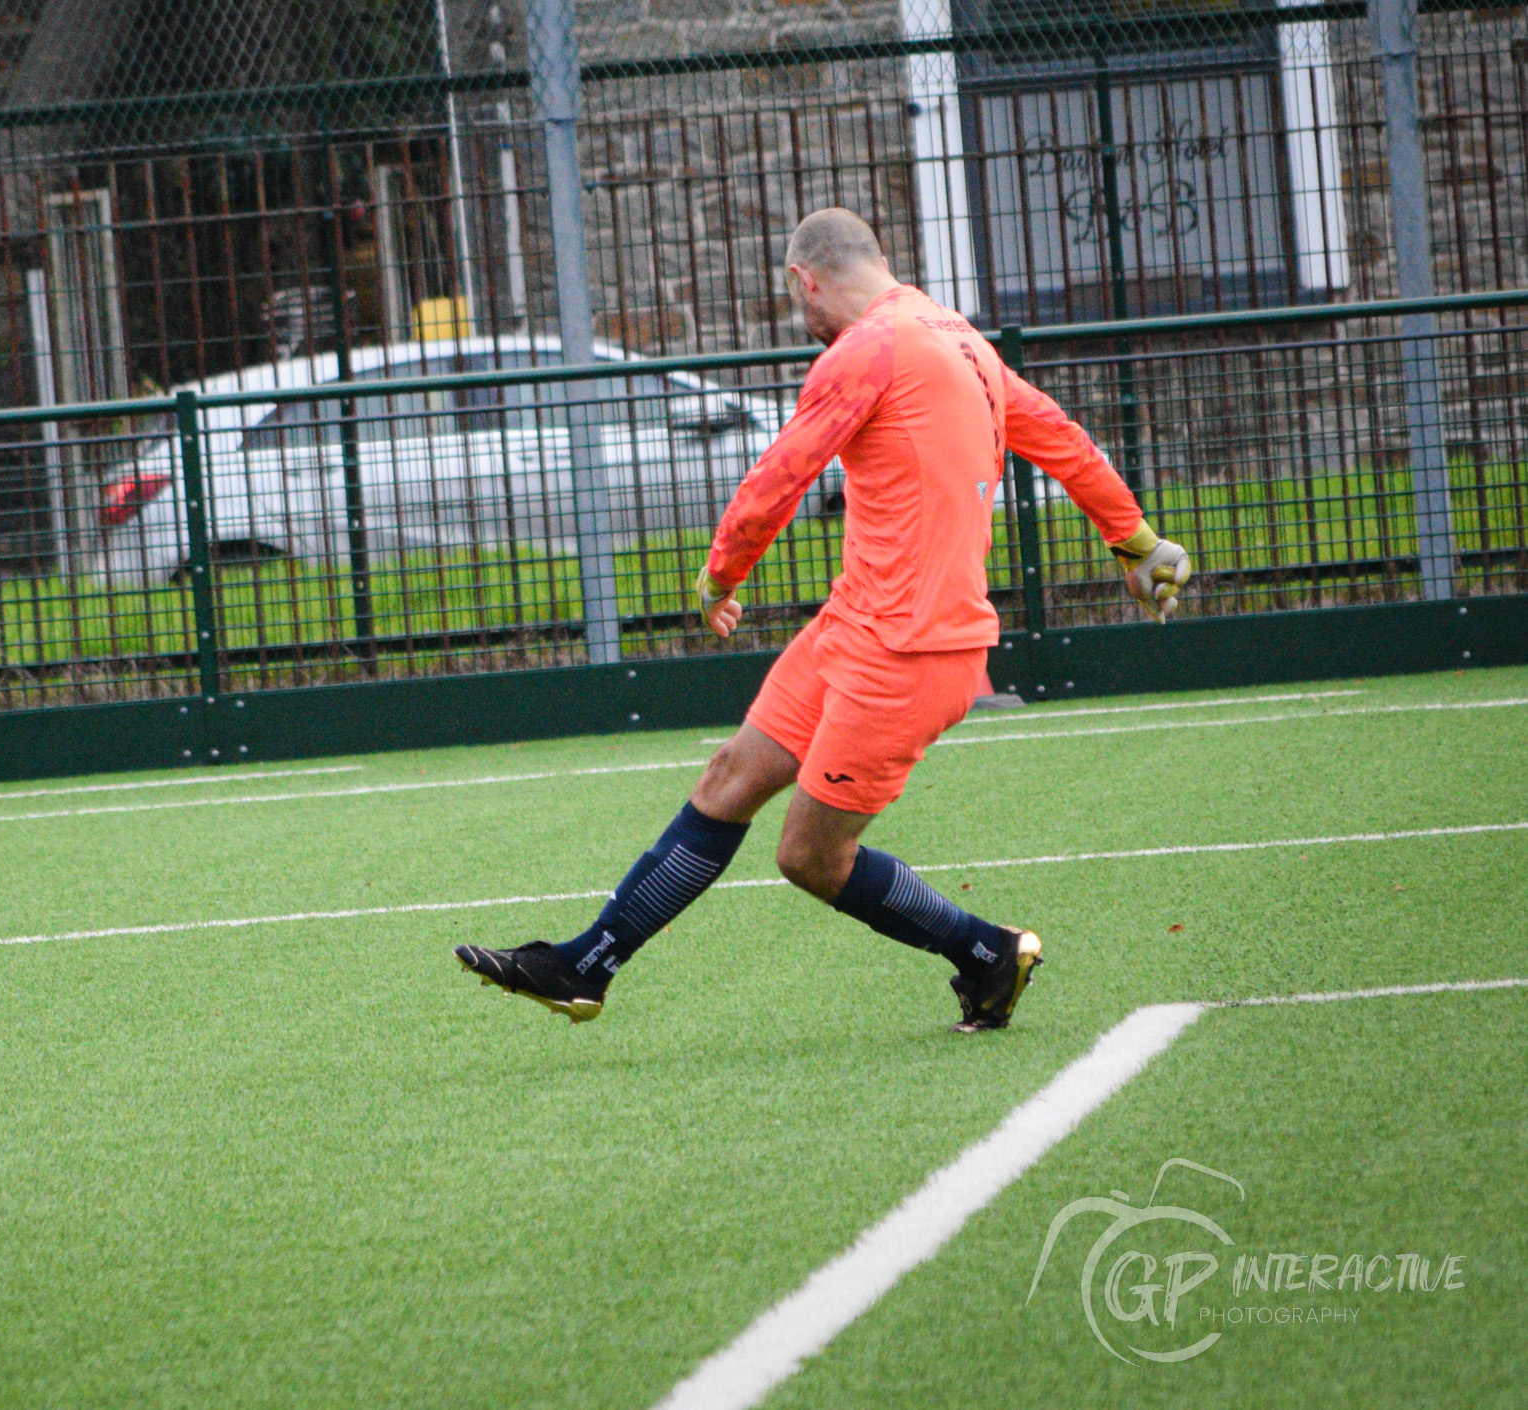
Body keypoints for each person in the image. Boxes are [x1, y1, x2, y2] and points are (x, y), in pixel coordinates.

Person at [454, 208, 1192, 1032]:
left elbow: (783, 474)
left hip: (911, 648)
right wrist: (1137, 543)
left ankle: (986, 951)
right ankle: (584, 965)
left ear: (806, 279)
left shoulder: (867, 350)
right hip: (856, 625)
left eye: (793, 296)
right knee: (730, 777)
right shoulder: (953, 335)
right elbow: (1060, 437)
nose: (798, 313)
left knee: (810, 857)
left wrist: (719, 576)